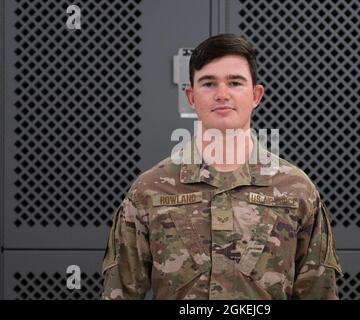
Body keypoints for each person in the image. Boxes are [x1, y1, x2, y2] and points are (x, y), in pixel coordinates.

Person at [101, 33, 343, 300]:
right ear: (191, 97)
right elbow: (120, 293)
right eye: (208, 83)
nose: (222, 94)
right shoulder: (149, 190)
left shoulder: (296, 189)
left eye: (235, 82)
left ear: (256, 95)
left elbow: (318, 293)